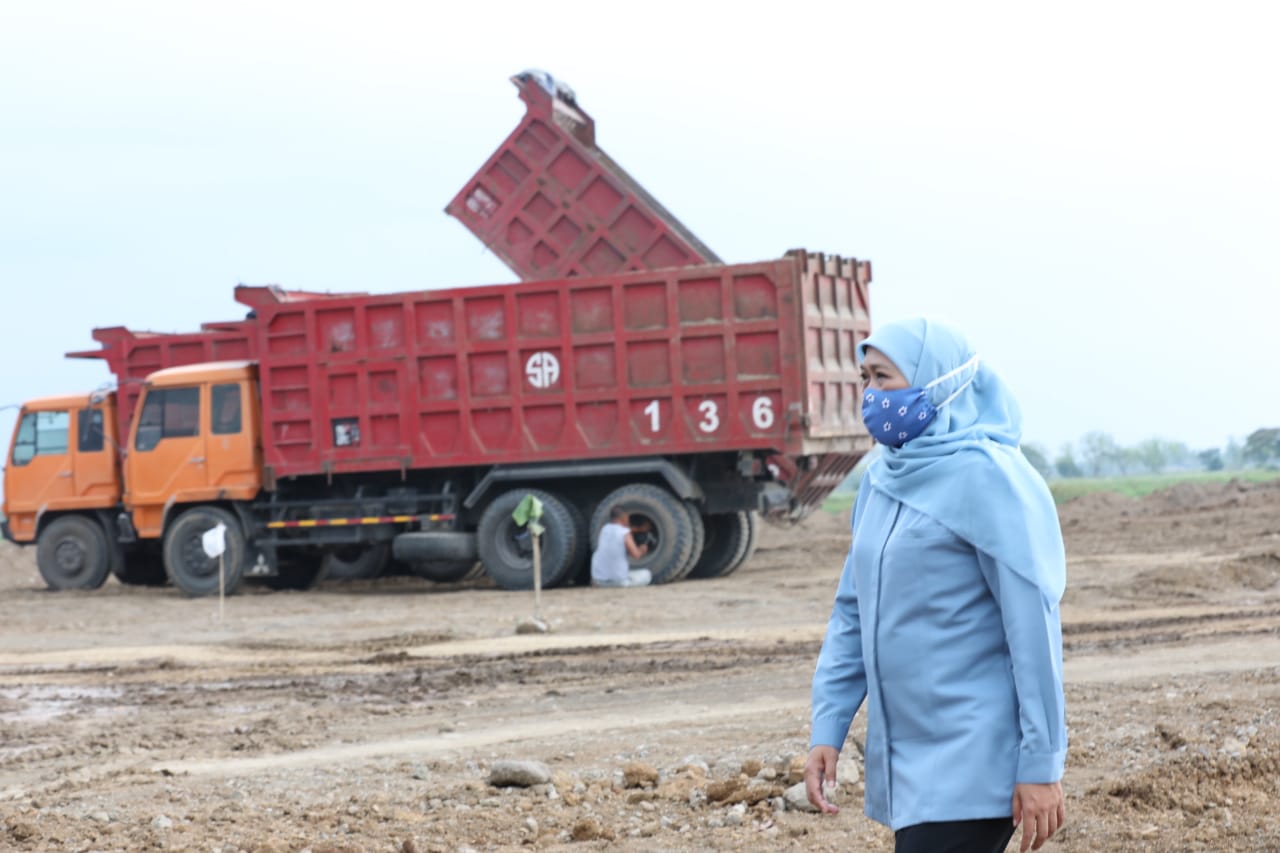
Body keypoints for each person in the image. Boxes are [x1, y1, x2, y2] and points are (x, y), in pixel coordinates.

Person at [804, 318, 1067, 853]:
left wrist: (1041, 764)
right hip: (907, 759)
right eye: (865, 379)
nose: (872, 394)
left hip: (975, 754)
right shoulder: (882, 481)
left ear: (938, 381)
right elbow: (852, 614)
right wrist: (827, 726)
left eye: (885, 377)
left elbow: (1032, 631)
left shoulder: (991, 478)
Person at [591, 507, 652, 587]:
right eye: (627, 518)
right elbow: (636, 555)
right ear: (624, 518)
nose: (628, 521)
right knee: (647, 574)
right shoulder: (625, 533)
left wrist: (639, 529)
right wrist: (642, 549)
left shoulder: (604, 529)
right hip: (618, 582)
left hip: (599, 581)